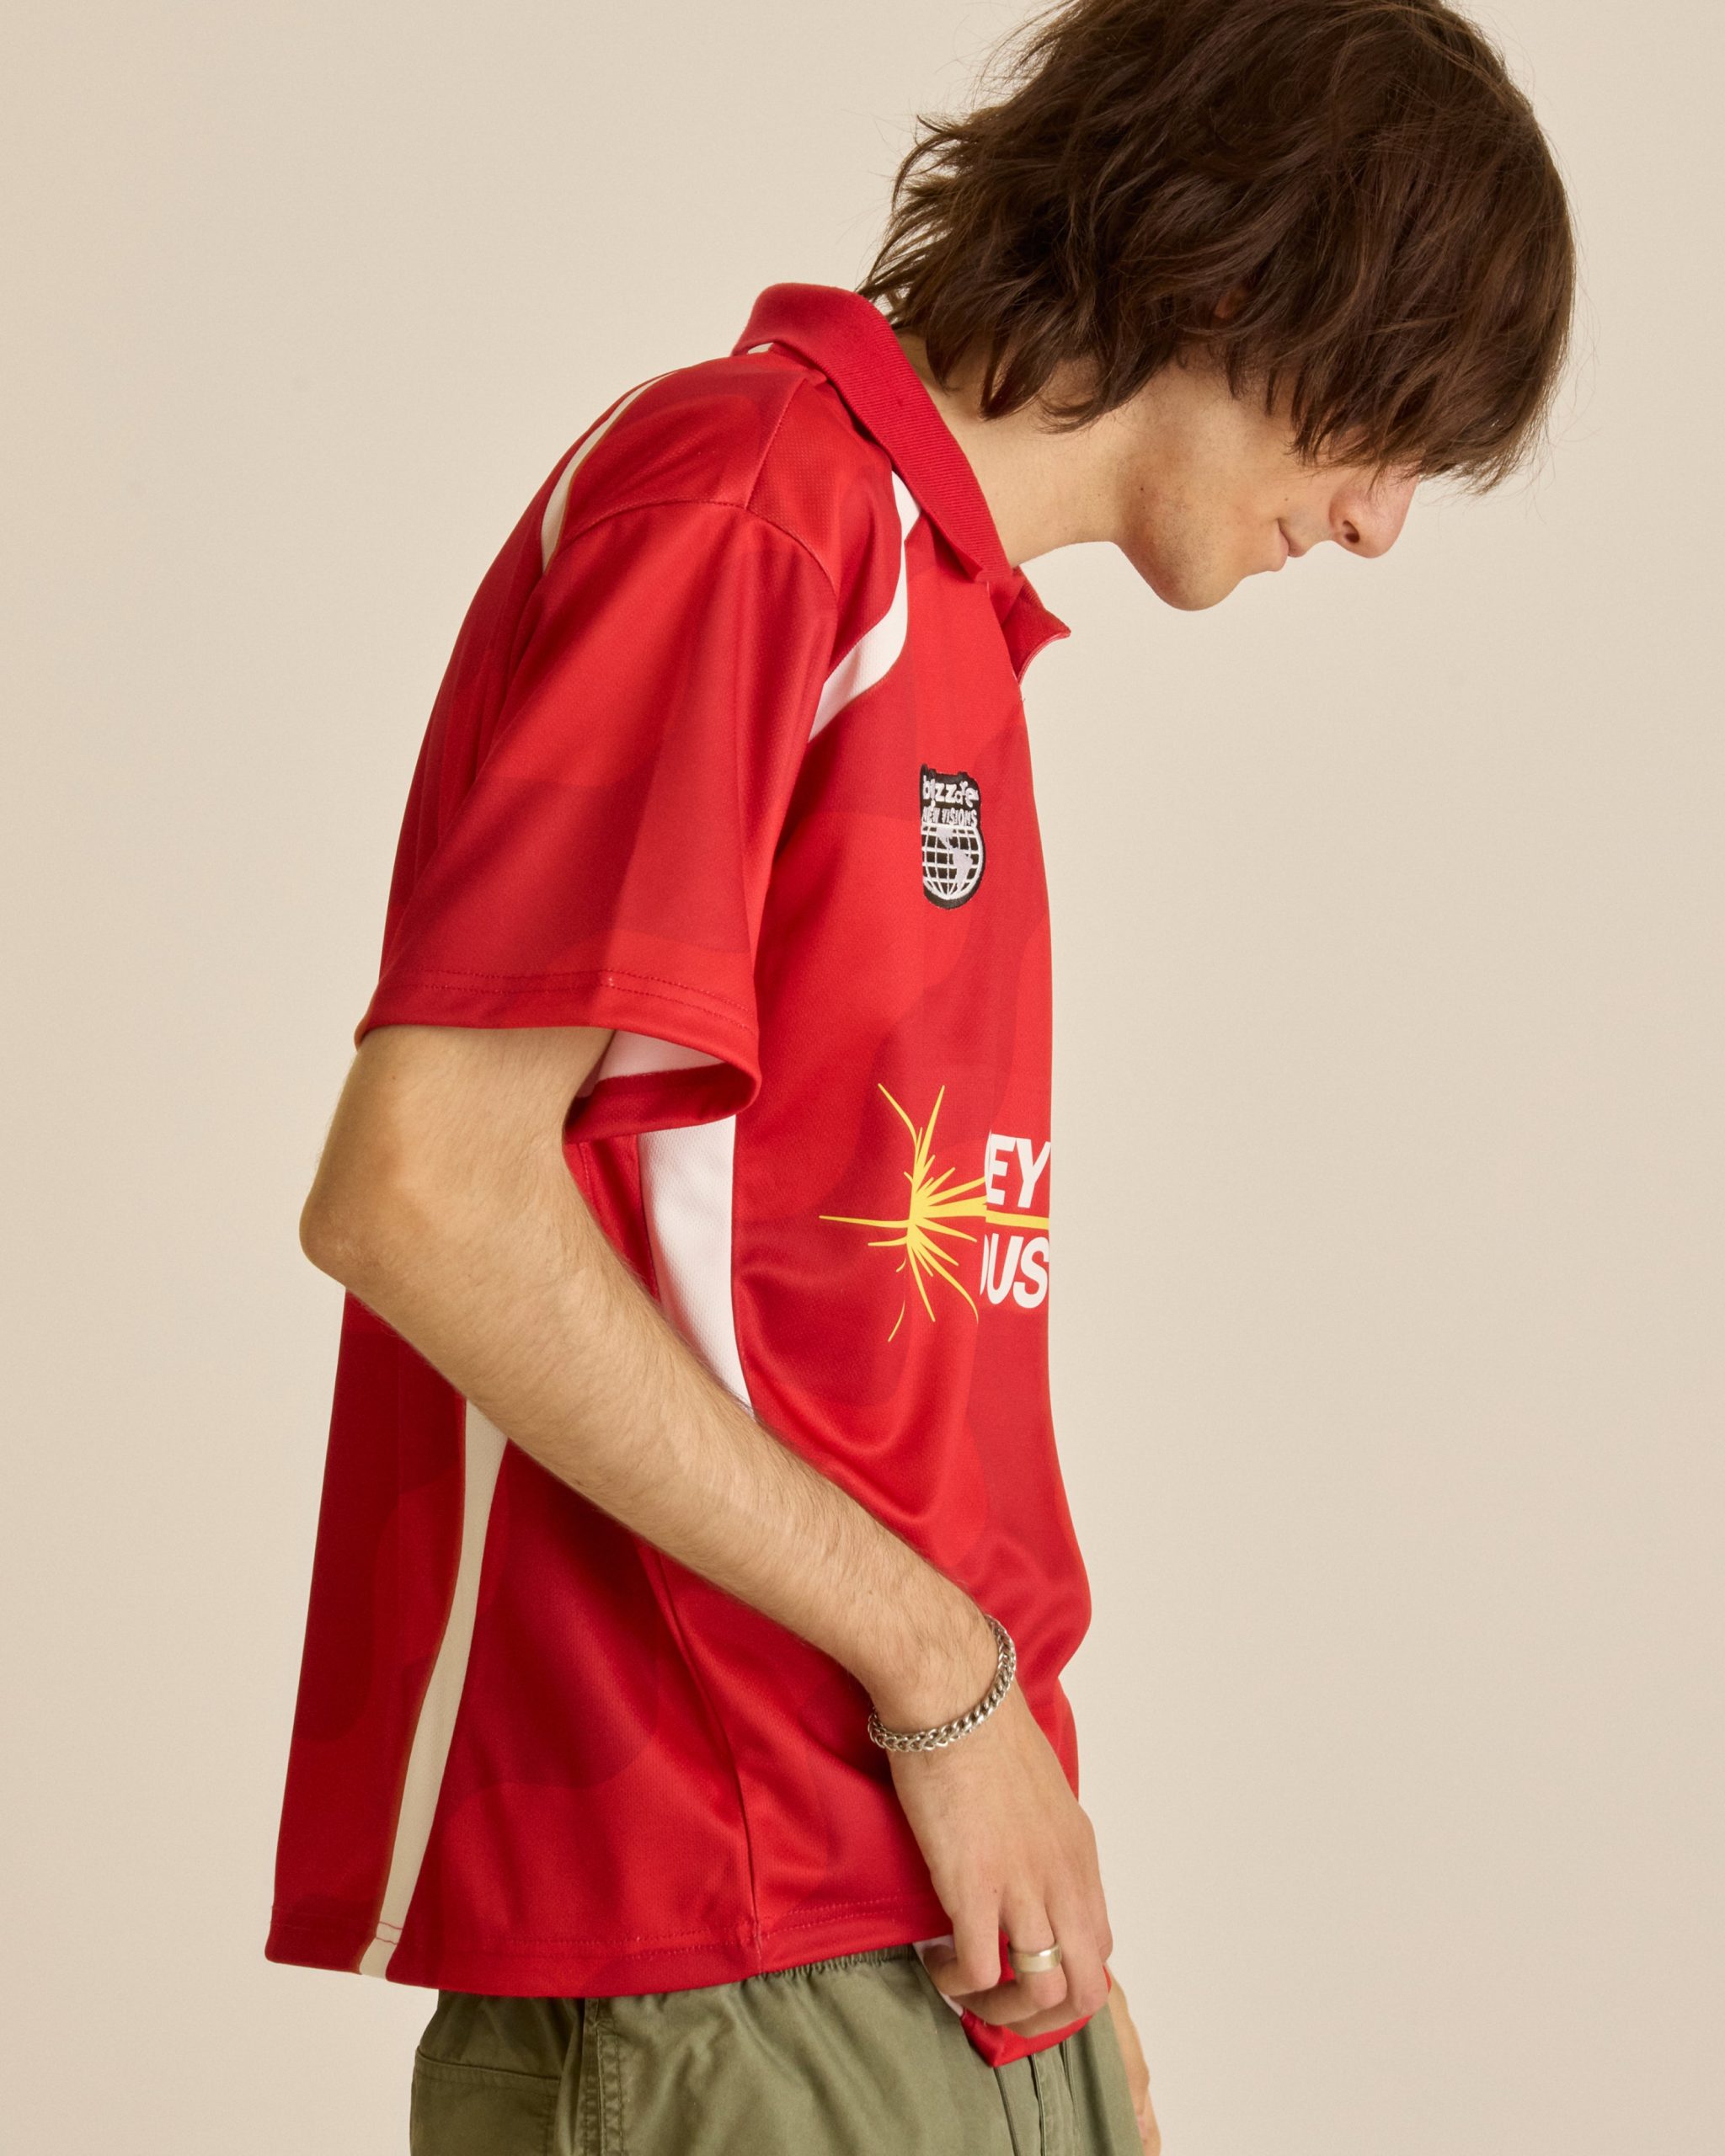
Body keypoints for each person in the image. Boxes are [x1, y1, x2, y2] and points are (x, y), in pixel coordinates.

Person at [264, 1, 1573, 2148]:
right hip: (726, 1923)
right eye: (1395, 414)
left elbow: (855, 1360)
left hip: (932, 1915)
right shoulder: (752, 508)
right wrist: (948, 1683)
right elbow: (423, 1188)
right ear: (1238, 272)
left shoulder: (935, 611)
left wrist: (1036, 1865)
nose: (1380, 521)